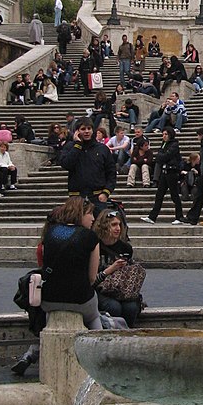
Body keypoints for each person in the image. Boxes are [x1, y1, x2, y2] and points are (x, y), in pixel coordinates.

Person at [39, 198, 103, 328]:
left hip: (49, 298)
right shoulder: (90, 236)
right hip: (80, 299)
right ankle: (99, 339)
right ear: (80, 213)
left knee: (50, 313)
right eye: (90, 213)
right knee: (94, 316)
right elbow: (91, 278)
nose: (93, 218)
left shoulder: (51, 232)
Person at [93, 209, 145, 327]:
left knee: (131, 307)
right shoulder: (95, 246)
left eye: (119, 224)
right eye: (113, 225)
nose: (118, 228)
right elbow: (92, 280)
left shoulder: (125, 248)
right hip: (102, 289)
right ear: (104, 226)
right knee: (113, 307)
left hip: (122, 289)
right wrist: (111, 269)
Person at [59, 119, 117, 206]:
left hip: (97, 197)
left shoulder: (102, 148)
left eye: (89, 128)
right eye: (83, 129)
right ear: (77, 131)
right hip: (76, 198)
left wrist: (106, 192)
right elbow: (66, 164)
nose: (86, 131)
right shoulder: (70, 147)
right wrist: (77, 145)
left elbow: (111, 171)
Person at [140, 126, 188, 225]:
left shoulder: (174, 144)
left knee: (174, 195)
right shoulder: (164, 144)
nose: (164, 136)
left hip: (172, 171)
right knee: (159, 195)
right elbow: (160, 156)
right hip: (165, 171)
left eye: (166, 134)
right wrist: (161, 155)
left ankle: (179, 216)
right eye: (163, 134)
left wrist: (161, 155)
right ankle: (152, 217)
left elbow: (166, 156)